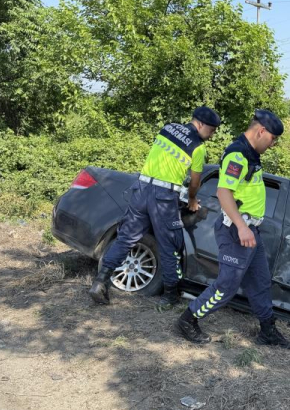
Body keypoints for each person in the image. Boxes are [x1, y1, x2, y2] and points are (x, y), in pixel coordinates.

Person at [175, 109, 290, 349]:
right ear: (261, 131)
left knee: (260, 281)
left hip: (251, 232)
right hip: (236, 232)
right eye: (272, 138)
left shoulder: (250, 154)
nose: (273, 144)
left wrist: (248, 228)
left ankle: (267, 331)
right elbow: (223, 193)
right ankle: (188, 320)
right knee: (227, 285)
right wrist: (242, 227)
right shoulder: (237, 154)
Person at [89, 106, 221, 308]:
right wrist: (192, 199)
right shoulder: (198, 147)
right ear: (201, 124)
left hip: (141, 190)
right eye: (211, 130)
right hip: (163, 198)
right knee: (169, 245)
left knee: (126, 237)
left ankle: (100, 281)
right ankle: (169, 296)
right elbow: (195, 182)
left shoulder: (168, 129)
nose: (211, 136)